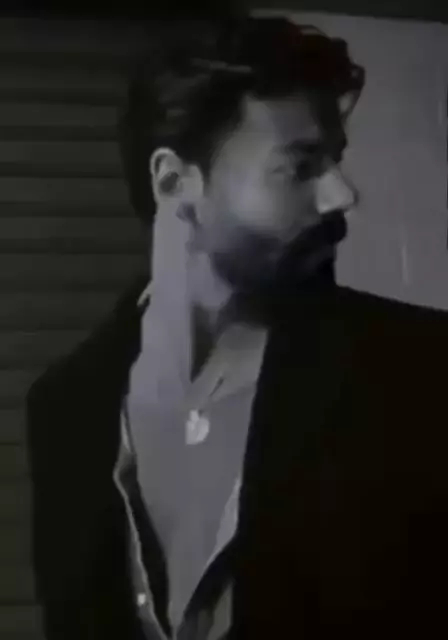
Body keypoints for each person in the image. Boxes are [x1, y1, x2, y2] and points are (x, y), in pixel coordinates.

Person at [26, 14, 448, 640]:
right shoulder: (64, 409)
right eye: (301, 166)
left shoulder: (421, 371)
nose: (342, 195)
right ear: (174, 181)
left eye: (334, 160)